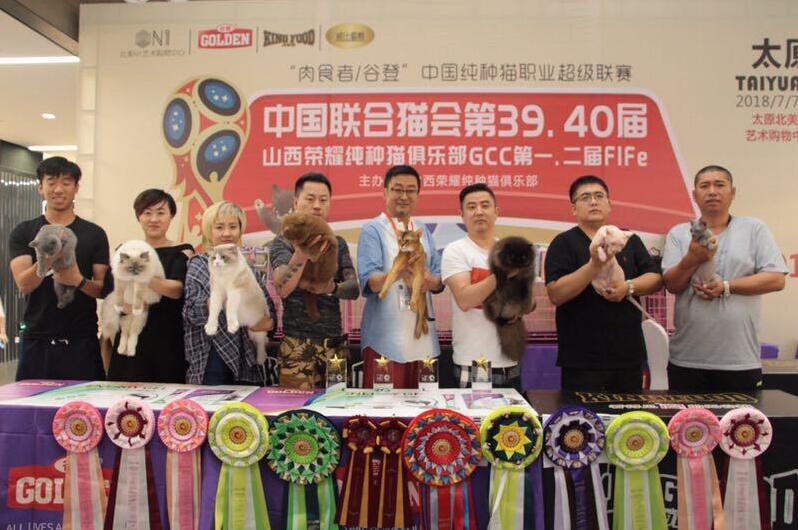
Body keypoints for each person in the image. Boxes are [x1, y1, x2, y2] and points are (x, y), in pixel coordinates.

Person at [662, 165, 787, 391]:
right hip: (687, 359)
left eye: (719, 185)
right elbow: (672, 285)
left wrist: (727, 286)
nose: (712, 191)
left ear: (733, 192)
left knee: (742, 417)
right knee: (688, 417)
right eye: (704, 186)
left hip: (740, 360)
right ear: (695, 195)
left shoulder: (754, 229)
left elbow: (776, 279)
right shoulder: (679, 233)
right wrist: (692, 258)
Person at [544, 175, 662, 392]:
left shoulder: (627, 239)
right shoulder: (563, 243)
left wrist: (628, 287)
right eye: (585, 197)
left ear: (609, 204)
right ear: (574, 208)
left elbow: (655, 278)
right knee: (582, 414)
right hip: (581, 359)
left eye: (599, 196)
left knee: (628, 414)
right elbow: (556, 294)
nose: (593, 202)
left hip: (628, 356)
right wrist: (594, 265)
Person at [9, 157, 109, 381]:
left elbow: (103, 289)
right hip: (37, 340)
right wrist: (49, 257)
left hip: (82, 340)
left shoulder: (94, 234)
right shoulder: (24, 231)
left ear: (76, 188)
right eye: (51, 182)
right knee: (32, 403)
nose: (58, 189)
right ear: (40, 187)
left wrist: (78, 280)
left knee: (86, 403)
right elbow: (24, 284)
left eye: (66, 182)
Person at [357, 165, 443, 388]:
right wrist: (399, 273)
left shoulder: (422, 231)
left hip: (422, 339)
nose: (404, 196)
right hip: (385, 340)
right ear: (385, 192)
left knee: (424, 404)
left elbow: (438, 279)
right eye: (397, 189)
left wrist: (429, 281)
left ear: (418, 195)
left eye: (411, 190)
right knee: (382, 405)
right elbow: (370, 281)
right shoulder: (373, 230)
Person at [271, 172, 360, 389]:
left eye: (323, 200)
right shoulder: (284, 242)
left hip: (334, 346)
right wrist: (302, 253)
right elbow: (282, 288)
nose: (317, 206)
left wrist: (331, 287)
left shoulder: (337, 242)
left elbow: (353, 289)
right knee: (295, 408)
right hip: (296, 347)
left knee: (338, 406)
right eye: (310, 199)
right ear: (296, 202)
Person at [183, 201, 276, 385]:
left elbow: (268, 318)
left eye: (233, 227)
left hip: (247, 359)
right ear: (209, 231)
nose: (227, 233)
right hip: (209, 357)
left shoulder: (248, 267)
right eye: (219, 227)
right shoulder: (199, 264)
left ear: (240, 230)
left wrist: (261, 319)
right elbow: (192, 312)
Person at [105, 189, 194, 383]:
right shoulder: (125, 249)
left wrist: (141, 275)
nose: (154, 219)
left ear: (171, 216)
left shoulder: (182, 251)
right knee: (124, 397)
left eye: (160, 213)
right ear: (139, 217)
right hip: (131, 337)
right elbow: (111, 289)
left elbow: (177, 290)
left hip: (168, 338)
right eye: (147, 213)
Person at [442, 183, 523, 389]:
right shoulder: (456, 250)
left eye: (485, 205)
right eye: (471, 207)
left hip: (510, 360)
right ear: (461, 215)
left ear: (496, 212)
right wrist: (501, 273)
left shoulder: (512, 251)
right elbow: (465, 300)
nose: (479, 211)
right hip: (474, 361)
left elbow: (525, 302)